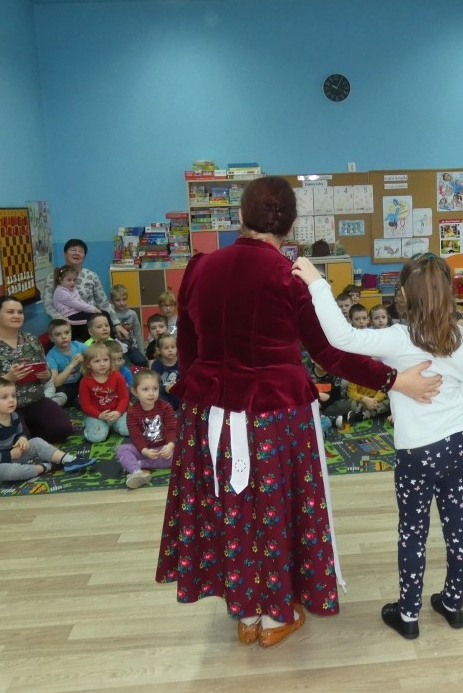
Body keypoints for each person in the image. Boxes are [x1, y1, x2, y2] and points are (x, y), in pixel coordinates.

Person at [156, 176, 441, 650]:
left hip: (209, 411)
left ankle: (246, 610)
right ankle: (275, 613)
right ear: (289, 225)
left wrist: (205, 393)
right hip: (273, 414)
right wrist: (394, 380)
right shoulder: (289, 276)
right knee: (273, 508)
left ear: (240, 217)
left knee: (232, 508)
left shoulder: (202, 268)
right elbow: (330, 352)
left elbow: (187, 347)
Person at [293, 252, 463, 639]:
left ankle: (408, 615)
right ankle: (453, 604)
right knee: (459, 528)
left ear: (404, 295)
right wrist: (455, 429)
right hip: (458, 445)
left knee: (413, 532)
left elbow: (341, 338)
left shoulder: (398, 338)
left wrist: (318, 284)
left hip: (417, 453)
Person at [0, 295, 74, 444]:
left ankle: (22, 429)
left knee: (63, 429)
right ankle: (0, 430)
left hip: (34, 399)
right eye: (10, 312)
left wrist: (45, 375)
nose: (17, 316)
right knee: (21, 443)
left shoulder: (31, 340)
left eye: (20, 312)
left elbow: (46, 373)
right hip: (2, 406)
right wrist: (6, 379)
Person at [0, 377, 94, 481]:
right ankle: (47, 467)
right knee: (13, 472)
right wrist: (10, 455)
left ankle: (68, 460)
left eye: (13, 396)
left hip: (13, 455)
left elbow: (19, 433)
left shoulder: (14, 416)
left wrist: (22, 438)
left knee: (36, 442)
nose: (11, 400)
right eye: (4, 397)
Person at [42, 238, 127, 341]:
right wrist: (59, 317)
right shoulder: (53, 277)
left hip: (91, 321)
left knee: (104, 317)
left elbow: (103, 302)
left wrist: (117, 324)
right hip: (66, 324)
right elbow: (48, 305)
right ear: (65, 254)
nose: (77, 253)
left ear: (84, 256)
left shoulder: (91, 275)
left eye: (81, 251)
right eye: (73, 250)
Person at [116, 369, 177, 489]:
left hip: (163, 448)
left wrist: (170, 445)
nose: (151, 393)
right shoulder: (132, 412)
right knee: (121, 449)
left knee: (179, 454)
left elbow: (171, 428)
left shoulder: (166, 407)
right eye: (145, 389)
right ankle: (137, 473)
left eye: (155, 389)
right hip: (143, 449)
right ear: (135, 391)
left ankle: (137, 464)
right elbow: (136, 435)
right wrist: (144, 451)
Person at [78, 342, 130, 443]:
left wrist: (118, 412)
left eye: (105, 360)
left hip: (116, 413)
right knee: (97, 438)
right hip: (96, 415)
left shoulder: (117, 376)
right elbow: (85, 405)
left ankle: (112, 426)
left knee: (127, 430)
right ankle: (92, 427)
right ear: (88, 364)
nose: (102, 364)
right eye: (97, 361)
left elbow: (124, 398)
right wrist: (99, 415)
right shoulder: (85, 381)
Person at [51, 264, 99, 339]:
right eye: (69, 280)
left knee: (104, 314)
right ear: (60, 280)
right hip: (70, 317)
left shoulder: (73, 289)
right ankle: (90, 341)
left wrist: (93, 309)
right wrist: (92, 309)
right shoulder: (60, 292)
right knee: (94, 319)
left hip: (78, 313)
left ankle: (110, 339)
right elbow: (77, 304)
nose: (72, 282)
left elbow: (80, 301)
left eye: (74, 280)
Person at [45, 318, 85, 400]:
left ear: (71, 333)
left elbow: (95, 354)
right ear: (51, 338)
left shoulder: (78, 346)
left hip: (80, 381)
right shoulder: (51, 356)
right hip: (64, 386)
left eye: (67, 332)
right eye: (58, 334)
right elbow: (56, 383)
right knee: (61, 395)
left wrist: (85, 358)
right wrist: (71, 365)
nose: (64, 337)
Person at [110, 284, 148, 366]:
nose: (121, 303)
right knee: (126, 365)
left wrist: (142, 352)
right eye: (117, 300)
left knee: (142, 362)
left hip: (131, 347)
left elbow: (138, 333)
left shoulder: (132, 314)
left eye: (124, 299)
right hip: (117, 350)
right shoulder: (111, 315)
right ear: (112, 301)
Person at [150, 333, 180, 410]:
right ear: (159, 350)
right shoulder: (156, 364)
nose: (170, 350)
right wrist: (165, 388)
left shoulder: (181, 362)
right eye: (166, 348)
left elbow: (185, 380)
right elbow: (153, 384)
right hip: (163, 394)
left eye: (173, 347)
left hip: (178, 393)